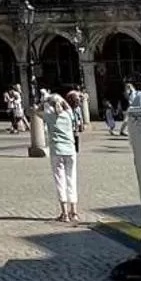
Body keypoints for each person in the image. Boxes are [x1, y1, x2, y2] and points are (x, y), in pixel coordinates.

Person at [40, 90, 81, 224]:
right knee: (71, 179)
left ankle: (64, 213)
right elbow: (67, 106)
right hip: (70, 150)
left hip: (57, 151)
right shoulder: (69, 114)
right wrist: (59, 99)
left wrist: (45, 100)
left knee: (60, 180)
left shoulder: (49, 116)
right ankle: (74, 212)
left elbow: (34, 111)